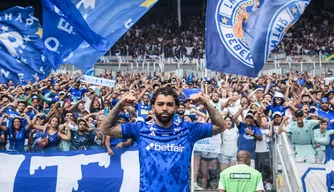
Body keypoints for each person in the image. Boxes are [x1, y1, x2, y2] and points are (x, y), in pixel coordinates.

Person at [100, 86, 225, 191]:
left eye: (170, 104)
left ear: (176, 108)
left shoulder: (189, 129)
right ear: (153, 107)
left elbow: (221, 126)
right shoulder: (140, 129)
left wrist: (206, 103)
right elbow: (106, 128)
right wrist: (120, 104)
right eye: (160, 104)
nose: (165, 108)